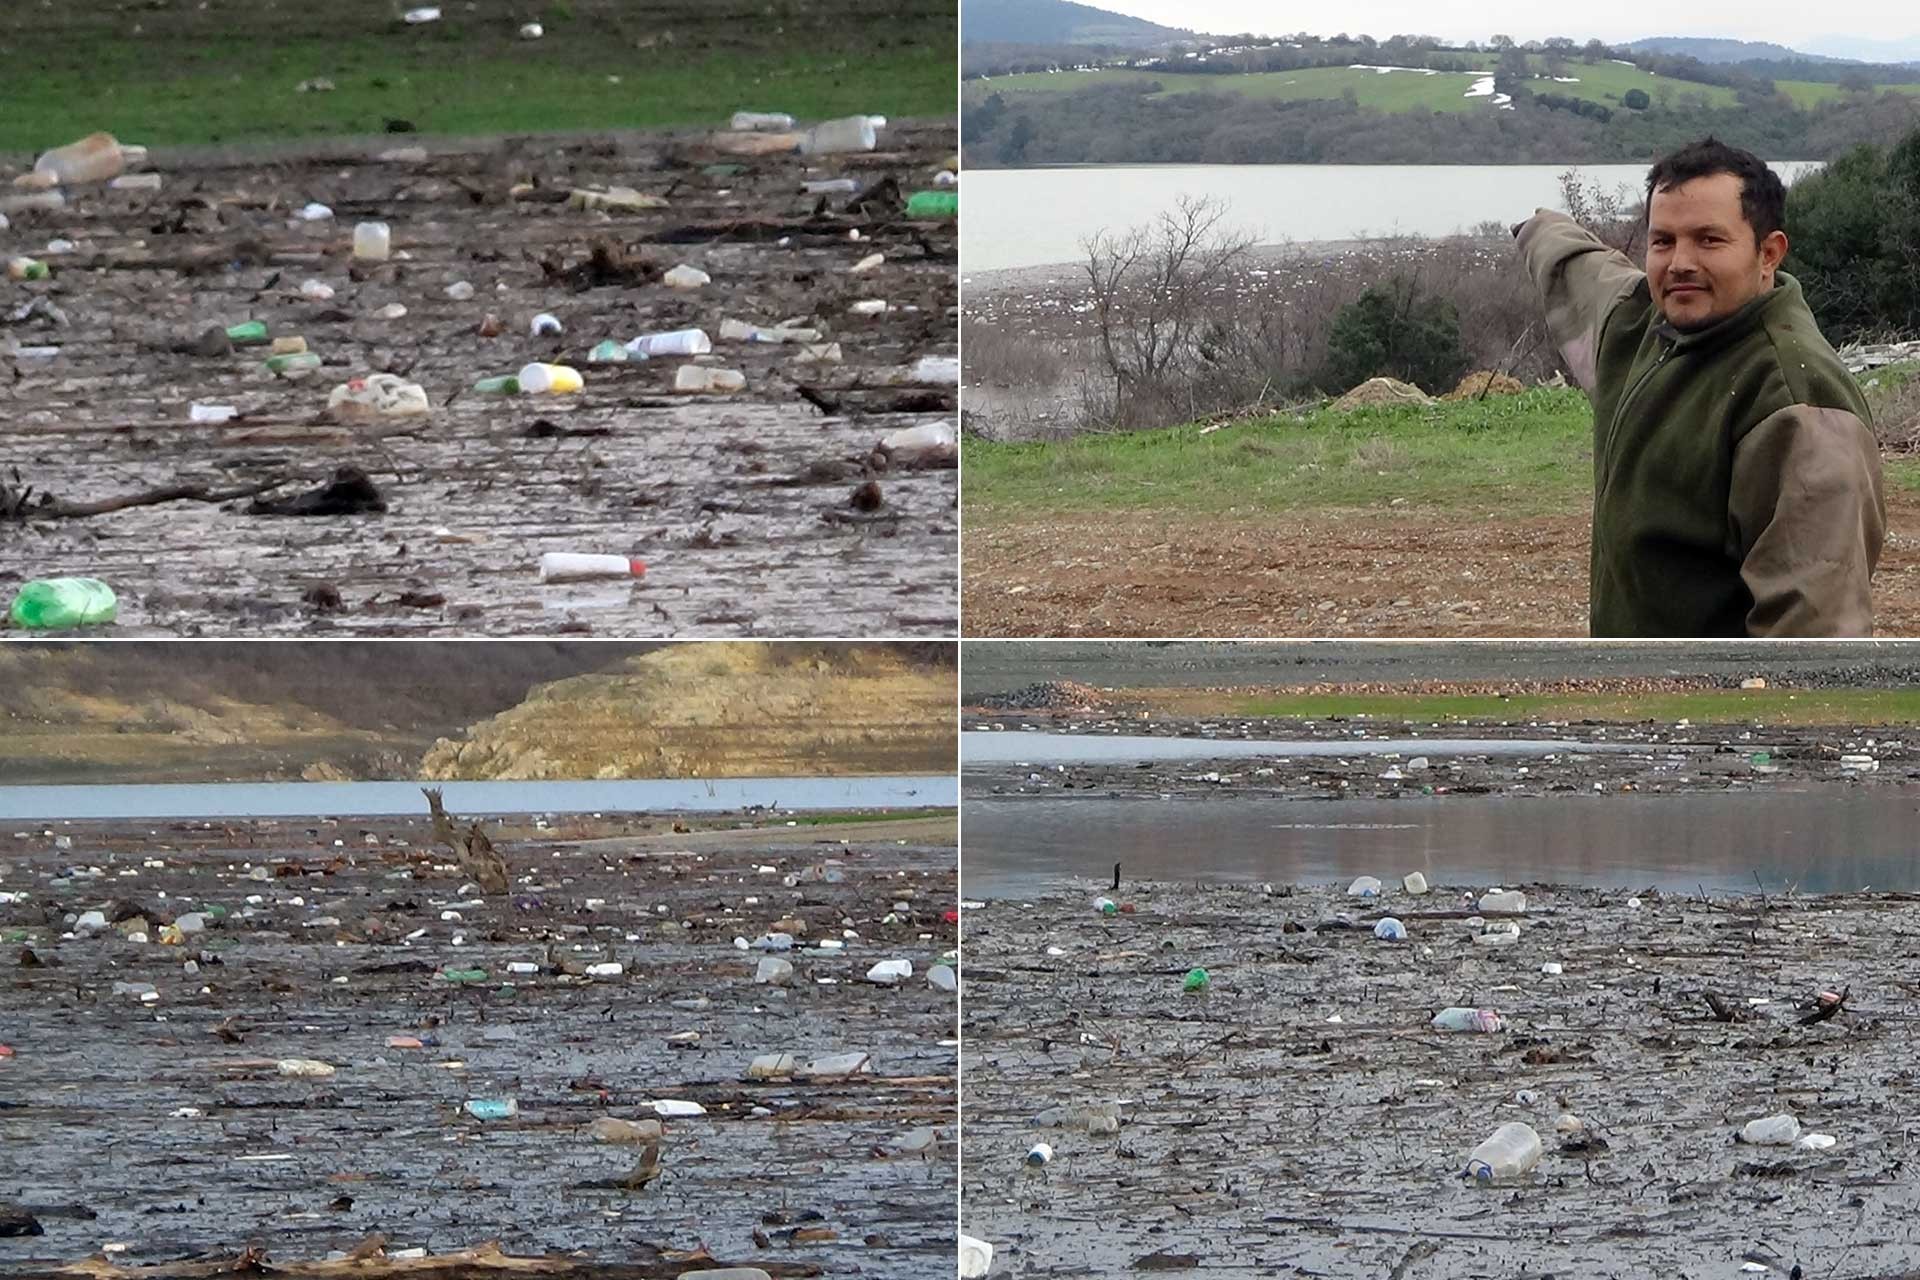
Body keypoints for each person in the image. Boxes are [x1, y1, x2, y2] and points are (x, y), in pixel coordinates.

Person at [1515, 137, 1885, 636]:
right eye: (1662, 241)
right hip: (1637, 701)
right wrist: (1538, 230)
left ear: (1768, 253)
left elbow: (1813, 635)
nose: (1679, 262)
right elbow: (1585, 273)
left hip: (1711, 707)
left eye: (1709, 240)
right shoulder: (1643, 327)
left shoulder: (1796, 403)